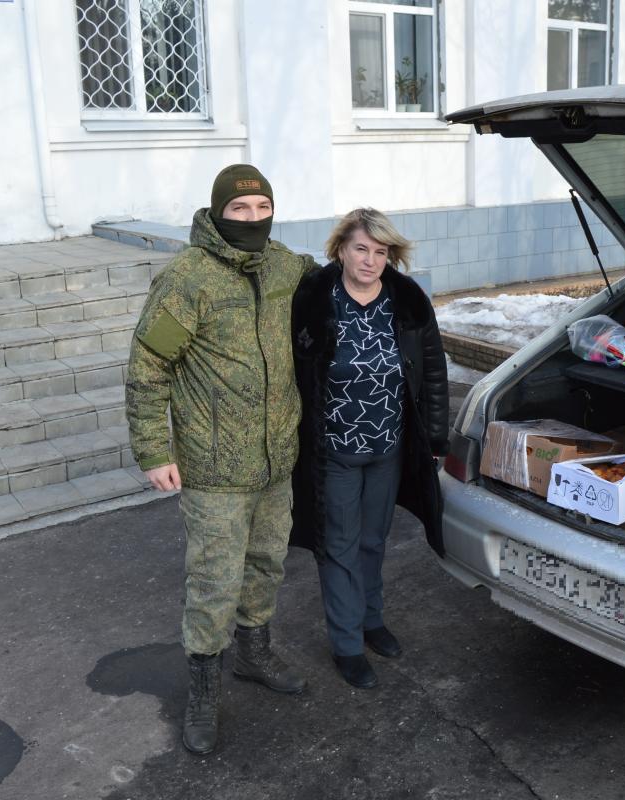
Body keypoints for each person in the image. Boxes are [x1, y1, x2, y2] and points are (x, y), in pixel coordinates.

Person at [126, 164, 318, 755]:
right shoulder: (186, 279)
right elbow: (147, 368)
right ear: (217, 213)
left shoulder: (286, 266)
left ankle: (253, 655)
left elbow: (340, 287)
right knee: (214, 581)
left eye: (262, 208)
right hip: (213, 469)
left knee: (265, 565)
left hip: (274, 462)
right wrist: (154, 451)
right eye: (241, 210)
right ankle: (204, 688)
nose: (253, 219)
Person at [290, 208, 449, 689]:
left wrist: (436, 440)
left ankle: (371, 620)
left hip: (389, 446)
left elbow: (434, 373)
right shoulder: (315, 299)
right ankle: (346, 642)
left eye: (380, 252)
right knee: (337, 545)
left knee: (374, 539)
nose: (371, 260)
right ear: (341, 249)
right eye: (361, 248)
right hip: (333, 449)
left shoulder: (407, 301)